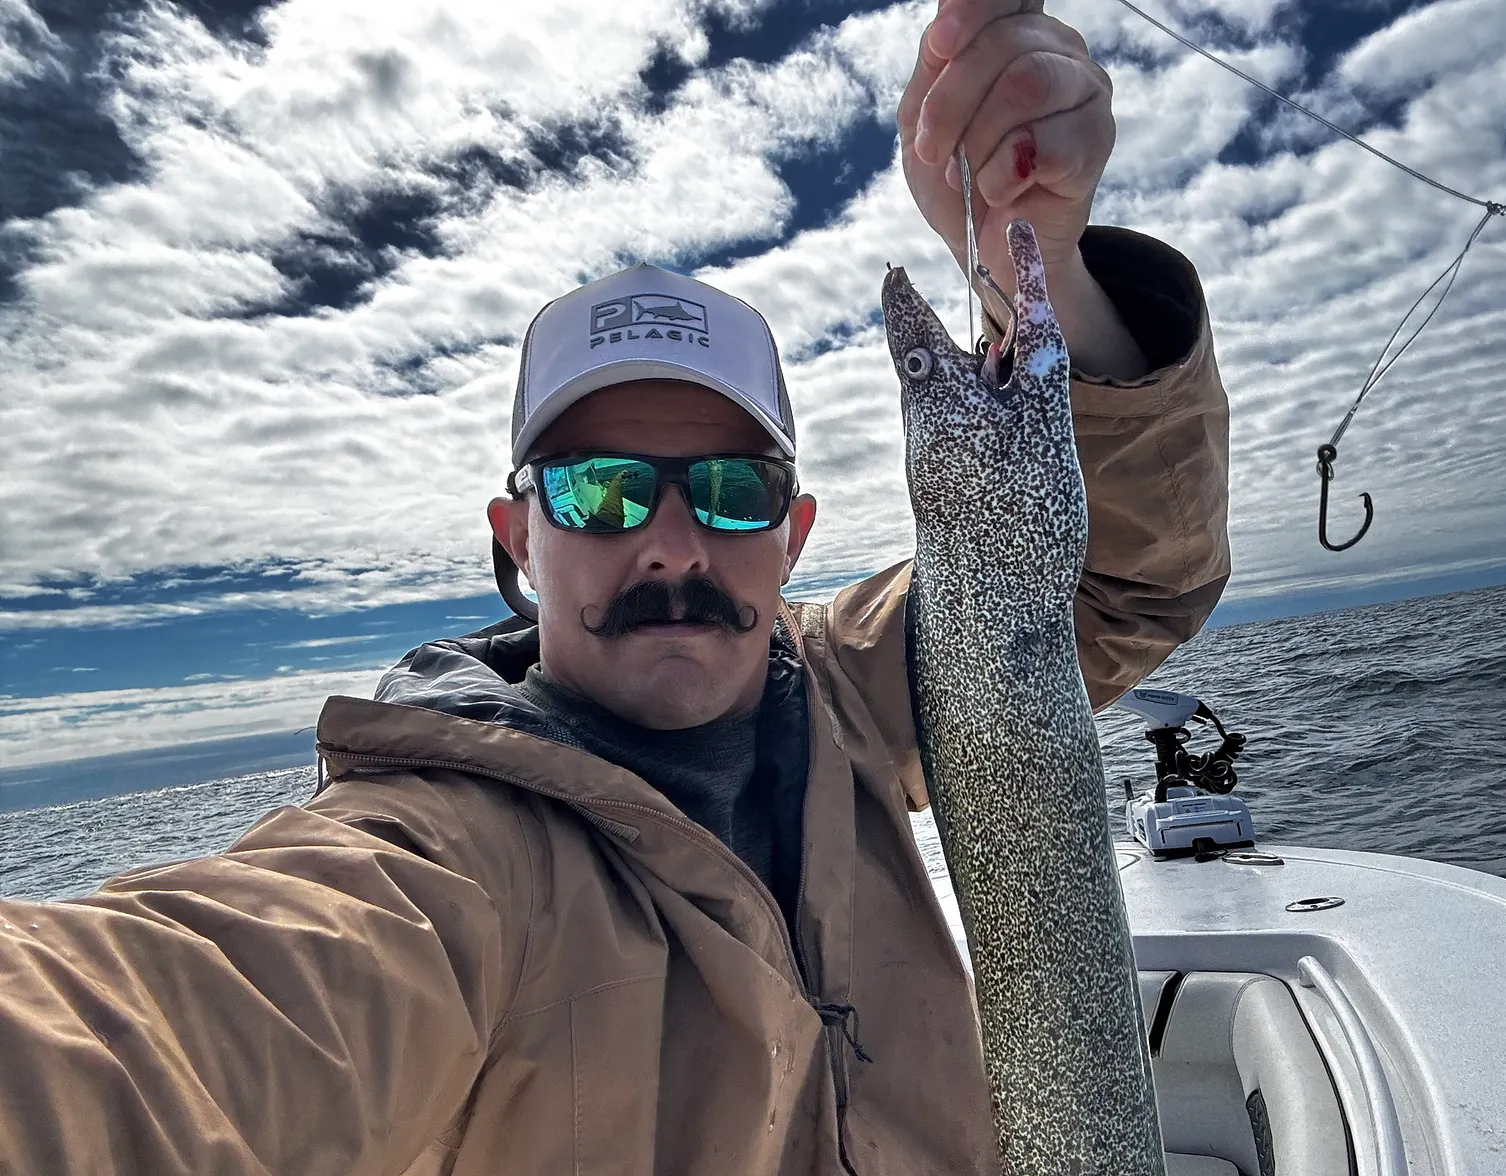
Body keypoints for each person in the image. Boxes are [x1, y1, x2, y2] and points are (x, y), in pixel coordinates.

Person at [0, 3, 1229, 1173]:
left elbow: (1126, 573)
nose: (675, 546)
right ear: (516, 539)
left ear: (794, 533)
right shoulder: (446, 859)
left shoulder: (865, 690)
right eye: (601, 491)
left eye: (734, 490)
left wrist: (1044, 266)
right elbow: (156, 1040)